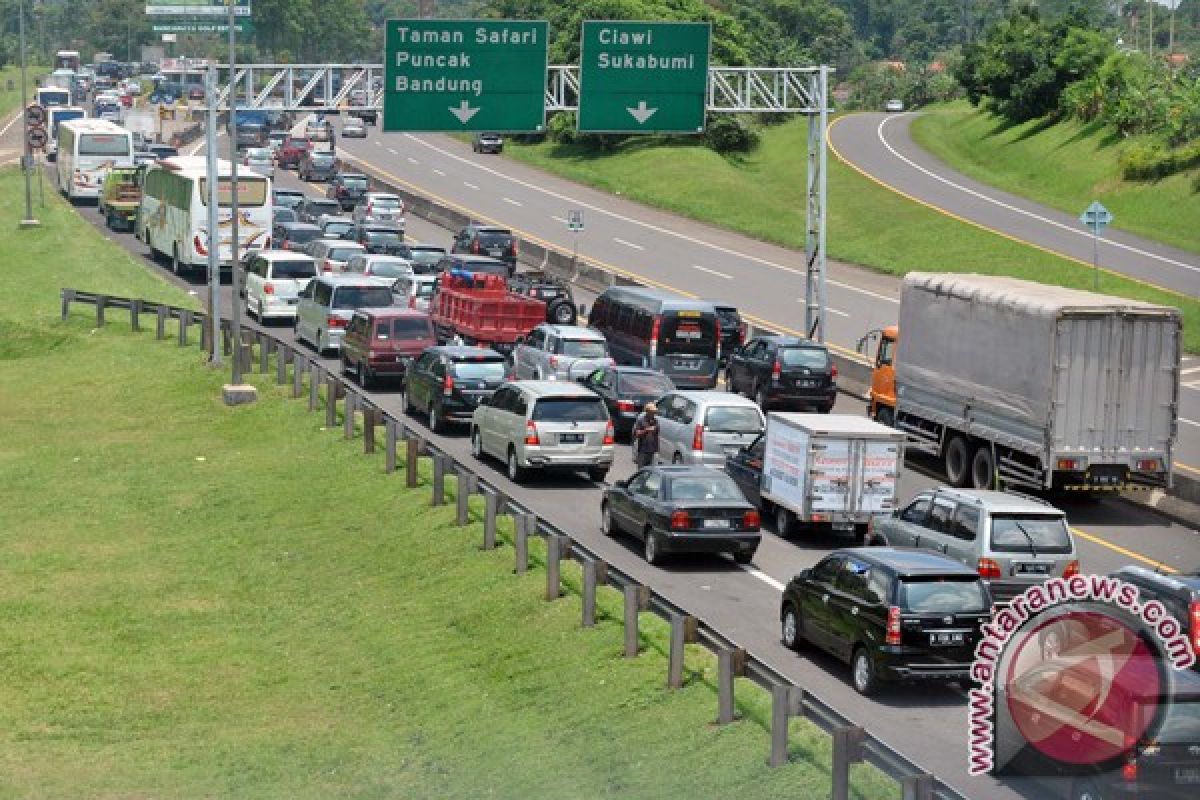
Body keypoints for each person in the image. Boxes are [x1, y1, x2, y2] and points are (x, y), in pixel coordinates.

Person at [632, 402, 659, 468]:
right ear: (647, 411)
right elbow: (636, 433)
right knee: (641, 468)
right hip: (643, 450)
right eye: (652, 412)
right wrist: (646, 430)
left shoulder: (655, 421)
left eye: (654, 412)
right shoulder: (641, 421)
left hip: (652, 450)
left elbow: (656, 434)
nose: (653, 414)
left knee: (650, 471)